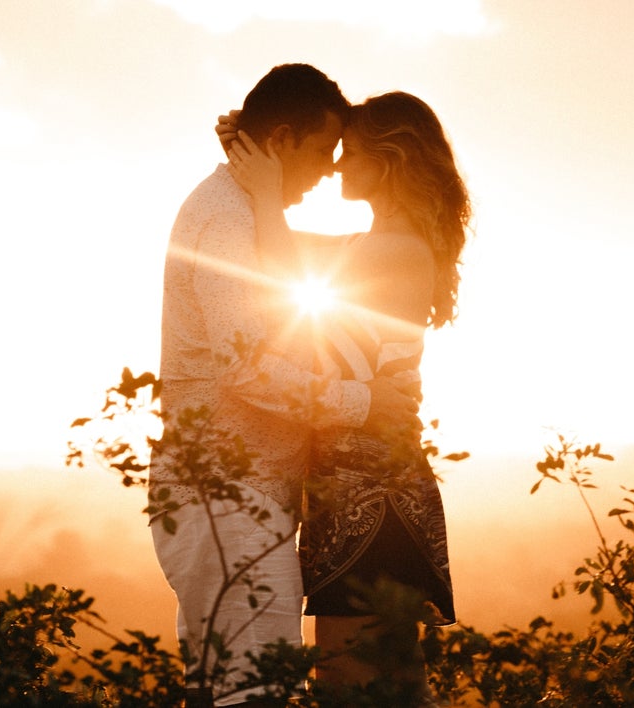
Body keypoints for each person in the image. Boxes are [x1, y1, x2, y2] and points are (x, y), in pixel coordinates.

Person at [149, 64, 420, 708]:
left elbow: (317, 266)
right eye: (323, 149)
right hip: (225, 497)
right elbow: (248, 368)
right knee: (256, 693)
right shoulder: (226, 220)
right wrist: (364, 403)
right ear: (282, 141)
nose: (329, 169)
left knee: (223, 690)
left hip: (238, 494)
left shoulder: (244, 211)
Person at [222, 90, 470, 702]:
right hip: (353, 490)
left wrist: (263, 178)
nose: (334, 165)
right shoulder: (379, 242)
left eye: (350, 152)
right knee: (363, 684)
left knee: (355, 688)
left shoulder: (398, 249)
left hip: (375, 497)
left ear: (386, 163)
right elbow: (285, 248)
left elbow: (277, 259)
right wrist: (257, 162)